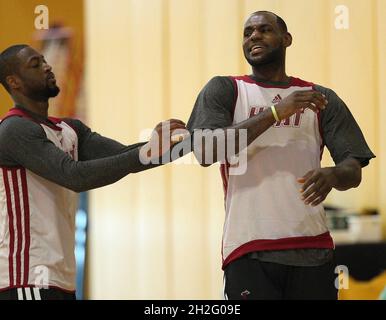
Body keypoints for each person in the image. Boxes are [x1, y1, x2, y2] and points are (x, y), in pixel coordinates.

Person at [187, 11, 375, 300]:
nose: (254, 36)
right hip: (249, 249)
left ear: (286, 39)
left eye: (264, 29)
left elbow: (353, 168)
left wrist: (334, 174)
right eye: (248, 32)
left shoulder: (318, 97)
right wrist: (275, 113)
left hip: (313, 248)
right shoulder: (225, 89)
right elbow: (205, 150)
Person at [0, 44, 186, 300]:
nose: (47, 66)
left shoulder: (70, 129)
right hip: (25, 279)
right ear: (14, 82)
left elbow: (126, 156)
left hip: (62, 280)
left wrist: (194, 140)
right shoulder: (14, 130)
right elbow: (74, 176)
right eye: (36, 64)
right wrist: (147, 153)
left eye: (44, 60)